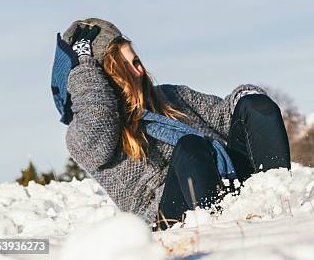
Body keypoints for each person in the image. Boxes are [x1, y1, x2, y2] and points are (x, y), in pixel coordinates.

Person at [50, 18, 291, 229]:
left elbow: (225, 114)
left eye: (138, 61)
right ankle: (220, 236)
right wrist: (84, 63)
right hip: (171, 221)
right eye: (129, 66)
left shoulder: (169, 97)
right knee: (191, 148)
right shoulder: (85, 136)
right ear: (107, 76)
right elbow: (97, 114)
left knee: (256, 106)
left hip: (228, 181)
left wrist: (250, 99)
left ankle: (280, 208)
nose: (141, 71)